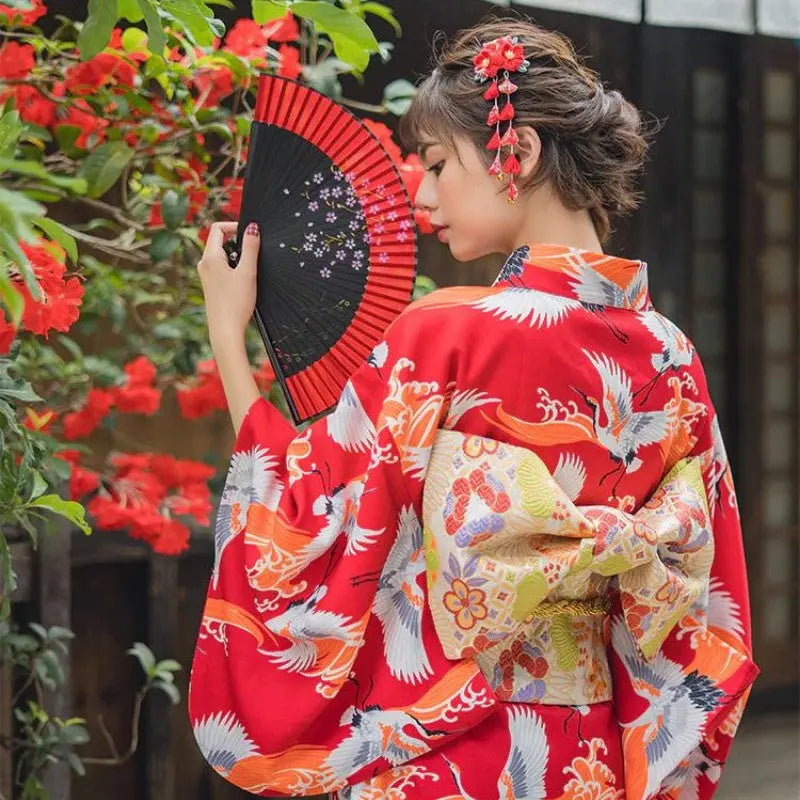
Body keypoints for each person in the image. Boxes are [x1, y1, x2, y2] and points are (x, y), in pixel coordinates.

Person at [189, 16, 758, 800]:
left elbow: (301, 519)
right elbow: (709, 589)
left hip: (450, 749)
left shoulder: (446, 332)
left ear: (513, 152)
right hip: (586, 758)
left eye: (435, 164)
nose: (420, 193)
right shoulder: (673, 354)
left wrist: (227, 330)